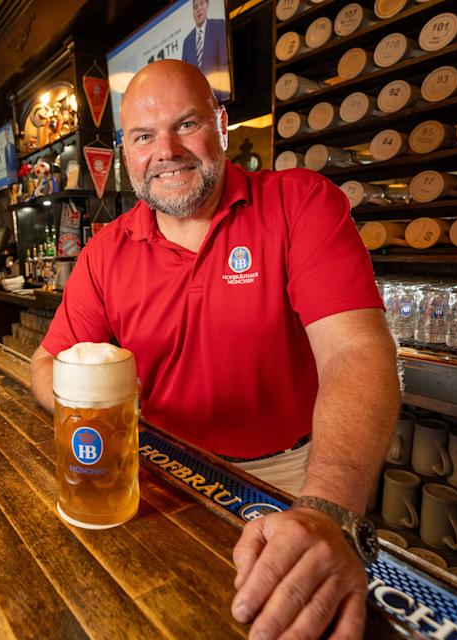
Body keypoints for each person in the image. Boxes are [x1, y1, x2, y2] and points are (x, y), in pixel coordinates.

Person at [29, 60, 400, 639]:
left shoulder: (299, 202)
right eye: (144, 136)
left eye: (187, 124)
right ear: (126, 150)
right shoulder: (105, 251)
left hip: (290, 480)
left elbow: (356, 350)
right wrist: (98, 418)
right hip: (155, 471)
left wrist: (326, 509)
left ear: (222, 126)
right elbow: (46, 363)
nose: (167, 151)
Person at [180, 0, 230, 101]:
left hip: (219, 98)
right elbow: (185, 78)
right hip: (198, 104)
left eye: (201, 4)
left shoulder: (219, 26)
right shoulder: (187, 41)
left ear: (207, 5)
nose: (198, 9)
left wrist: (225, 96)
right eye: (195, 7)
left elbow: (224, 63)